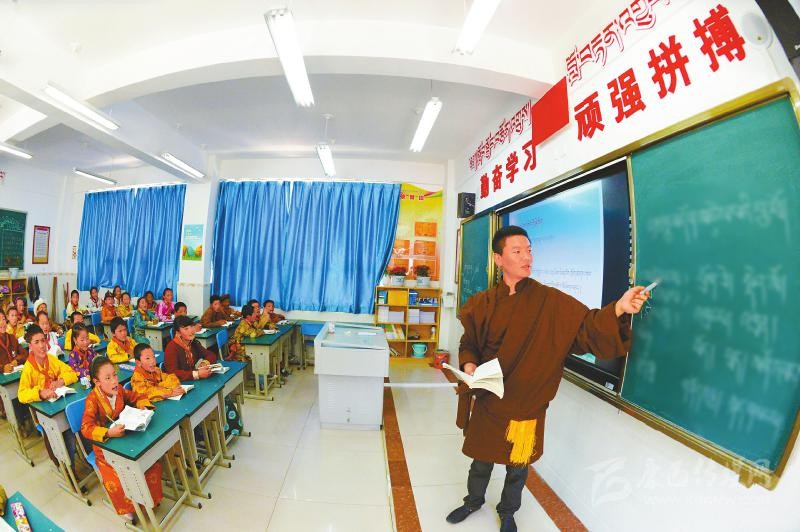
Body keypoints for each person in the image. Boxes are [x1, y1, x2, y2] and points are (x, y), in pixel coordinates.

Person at [446, 226, 650, 532]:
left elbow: (586, 326)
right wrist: (470, 363)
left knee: (518, 465)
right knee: (481, 458)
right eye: (517, 251)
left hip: (526, 403)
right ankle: (473, 501)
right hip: (490, 398)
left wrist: (619, 308)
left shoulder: (549, 301)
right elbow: (469, 342)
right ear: (499, 259)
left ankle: (508, 512)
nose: (527, 257)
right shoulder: (482, 303)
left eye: (529, 250)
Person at [81, 355, 161, 523]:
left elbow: (137, 396)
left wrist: (143, 407)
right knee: (118, 477)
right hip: (105, 446)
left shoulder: (119, 390)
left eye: (115, 375)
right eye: (107, 378)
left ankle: (149, 499)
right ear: (97, 382)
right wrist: (108, 433)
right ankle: (129, 508)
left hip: (125, 437)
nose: (114, 381)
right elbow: (86, 428)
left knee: (149, 461)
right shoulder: (92, 400)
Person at [18, 324, 79, 466]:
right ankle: (62, 464)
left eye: (43, 340)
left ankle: (70, 462)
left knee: (71, 431)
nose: (41, 345)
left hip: (59, 403)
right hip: (43, 411)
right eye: (36, 342)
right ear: (30, 346)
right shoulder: (28, 369)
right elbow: (21, 394)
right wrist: (40, 393)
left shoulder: (51, 359)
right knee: (61, 437)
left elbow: (72, 373)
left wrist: (60, 381)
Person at [163, 315, 217, 381]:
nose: (191, 331)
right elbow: (172, 373)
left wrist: (204, 363)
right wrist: (197, 374)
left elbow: (211, 355)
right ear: (178, 333)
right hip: (180, 384)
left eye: (191, 326)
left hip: (191, 380)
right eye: (186, 329)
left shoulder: (193, 343)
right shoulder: (172, 347)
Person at [0, 310, 29, 425]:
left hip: (17, 375)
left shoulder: (12, 338)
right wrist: (2, 368)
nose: (1, 323)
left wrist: (17, 360)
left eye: (3, 319)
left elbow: (25, 354)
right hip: (4, 382)